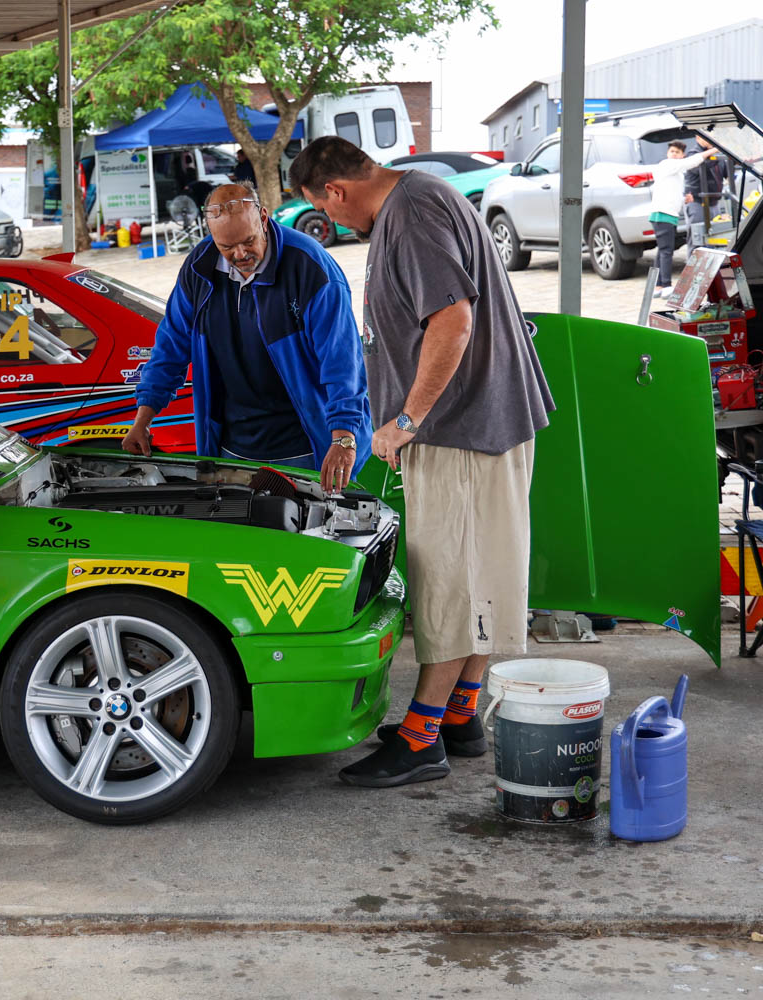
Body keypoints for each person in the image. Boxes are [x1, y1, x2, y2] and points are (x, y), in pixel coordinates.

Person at [290, 136, 554, 787]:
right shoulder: (423, 195)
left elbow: (452, 321)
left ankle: (420, 739)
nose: (331, 220)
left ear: (335, 191)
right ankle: (460, 717)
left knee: (449, 584)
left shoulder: (409, 215)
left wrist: (407, 419)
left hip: (460, 430)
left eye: (324, 209)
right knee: (484, 574)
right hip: (485, 421)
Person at [123, 183, 371, 492]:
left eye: (249, 241)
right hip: (231, 448)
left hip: (306, 448)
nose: (240, 254)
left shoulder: (310, 267)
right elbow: (170, 347)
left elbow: (343, 362)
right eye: (226, 247)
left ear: (264, 218)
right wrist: (143, 419)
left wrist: (343, 437)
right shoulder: (199, 269)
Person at [649, 139, 715, 297]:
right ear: (667, 153)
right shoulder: (666, 164)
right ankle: (666, 286)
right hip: (662, 214)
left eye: (677, 152)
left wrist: (683, 199)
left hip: (667, 214)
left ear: (682, 155)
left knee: (662, 250)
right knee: (666, 251)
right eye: (672, 151)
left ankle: (657, 286)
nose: (674, 154)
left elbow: (670, 193)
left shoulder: (676, 172)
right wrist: (714, 150)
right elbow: (691, 162)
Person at [682, 140, 726, 252]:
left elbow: (725, 170)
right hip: (698, 203)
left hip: (714, 203)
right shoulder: (693, 153)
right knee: (697, 240)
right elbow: (702, 167)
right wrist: (715, 151)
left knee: (714, 239)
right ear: (698, 137)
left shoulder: (716, 153)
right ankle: (692, 263)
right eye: (706, 136)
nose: (710, 139)